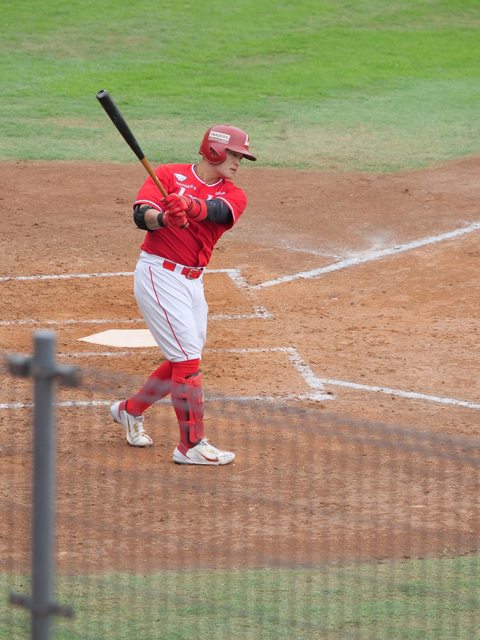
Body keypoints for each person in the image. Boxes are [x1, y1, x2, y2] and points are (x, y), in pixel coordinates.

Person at [110, 124, 256, 465]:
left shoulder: (235, 194)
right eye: (235, 154)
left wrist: (188, 205)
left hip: (193, 283)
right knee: (187, 359)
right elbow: (141, 216)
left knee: (185, 358)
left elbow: (217, 211)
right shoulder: (167, 174)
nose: (238, 162)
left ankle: (130, 410)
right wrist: (164, 218)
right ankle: (191, 445)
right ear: (215, 150)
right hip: (159, 274)